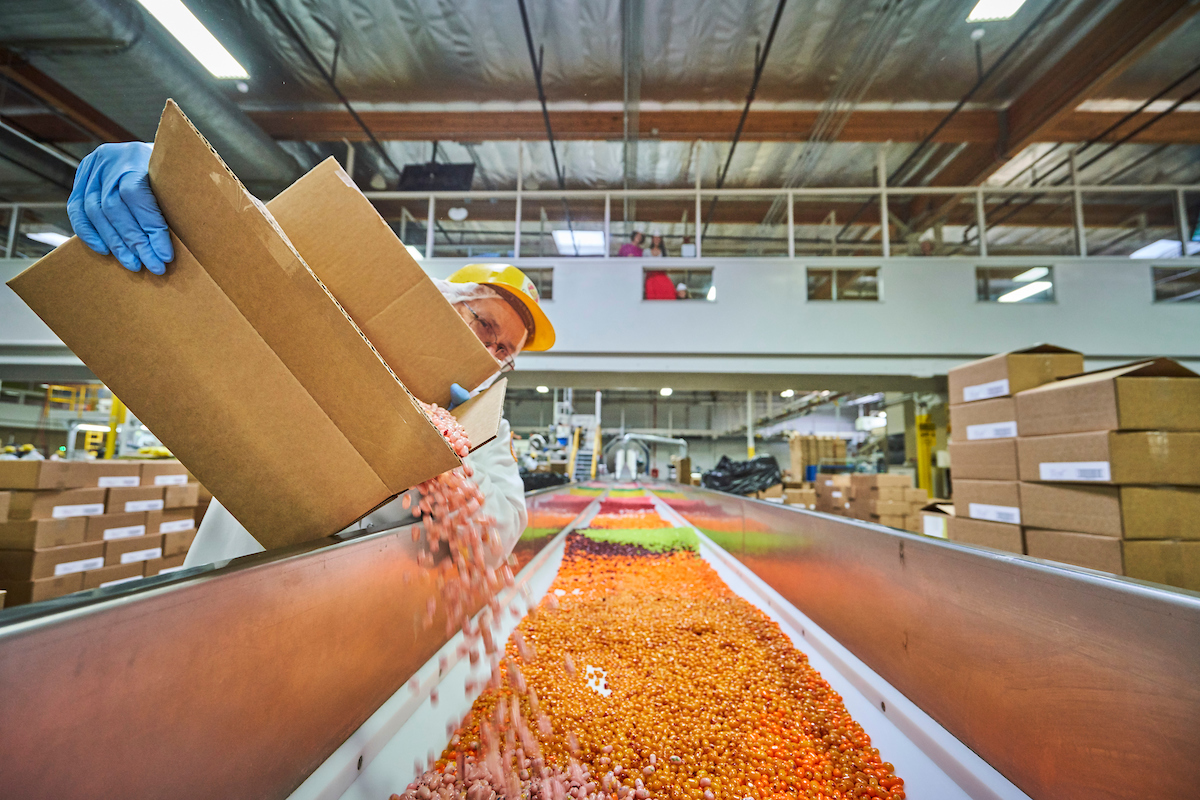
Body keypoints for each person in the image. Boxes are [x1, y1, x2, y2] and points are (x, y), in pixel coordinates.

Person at [66, 143, 557, 568]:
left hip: (360, 617)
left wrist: (448, 462)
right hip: (240, 574)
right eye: (485, 324)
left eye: (503, 351)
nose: (488, 351)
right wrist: (169, 178)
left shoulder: (481, 424)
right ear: (447, 303)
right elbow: (261, 263)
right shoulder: (345, 331)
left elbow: (498, 536)